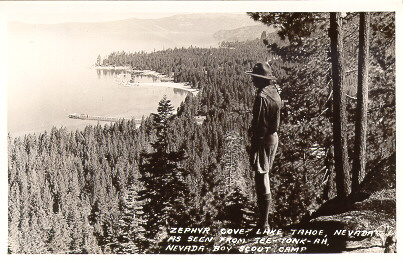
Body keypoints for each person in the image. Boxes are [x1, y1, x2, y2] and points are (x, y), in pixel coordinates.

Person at [246, 62, 281, 229]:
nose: (252, 79)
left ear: (261, 79)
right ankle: (264, 222)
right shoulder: (275, 92)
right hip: (274, 137)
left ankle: (264, 224)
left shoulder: (261, 97)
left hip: (264, 140)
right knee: (264, 175)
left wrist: (254, 146)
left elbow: (260, 124)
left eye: (255, 77)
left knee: (262, 177)